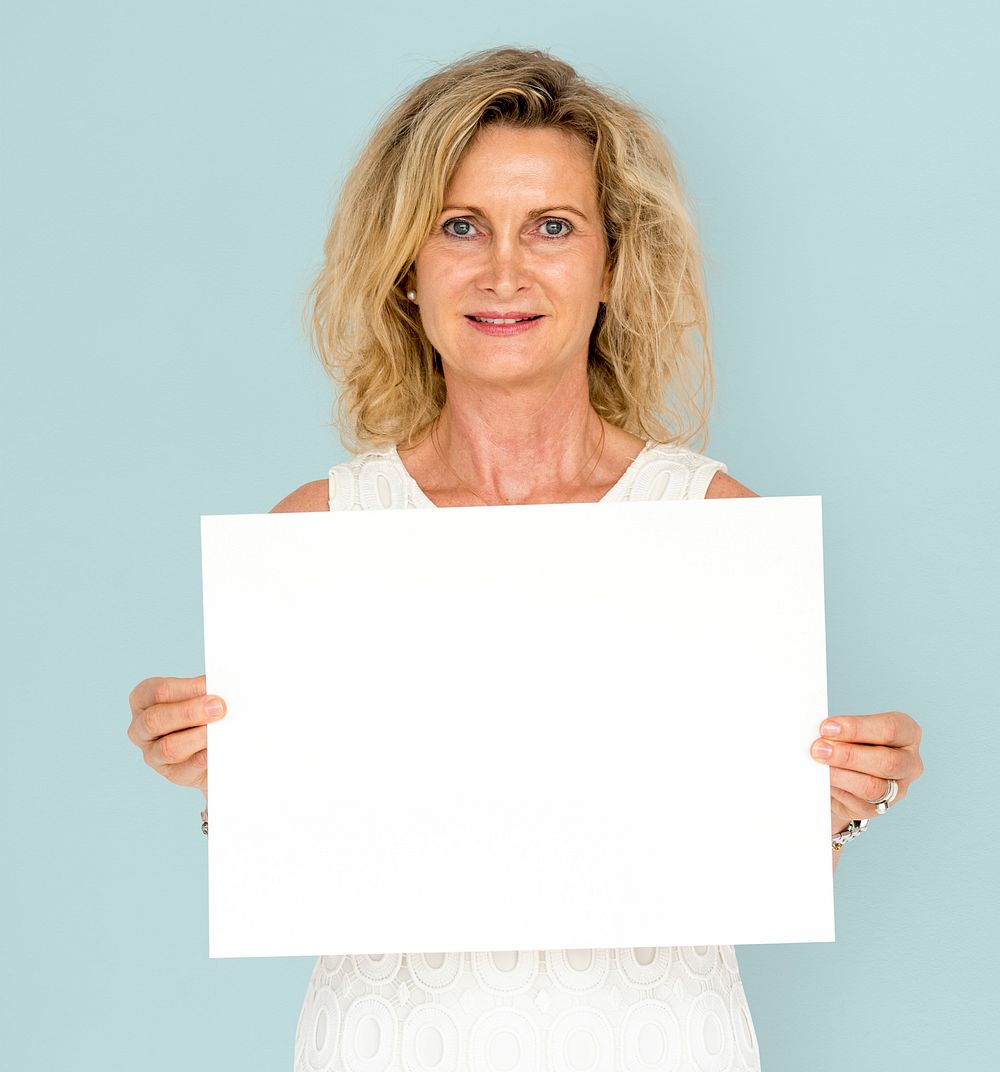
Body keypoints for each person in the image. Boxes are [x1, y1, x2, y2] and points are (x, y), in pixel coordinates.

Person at [126, 46, 924, 1071]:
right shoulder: (317, 534)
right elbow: (303, 845)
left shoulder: (711, 525)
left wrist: (843, 798)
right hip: (389, 1043)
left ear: (611, 264)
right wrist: (212, 772)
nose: (504, 270)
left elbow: (747, 856)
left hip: (657, 1040)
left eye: (552, 227)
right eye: (461, 226)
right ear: (406, 266)